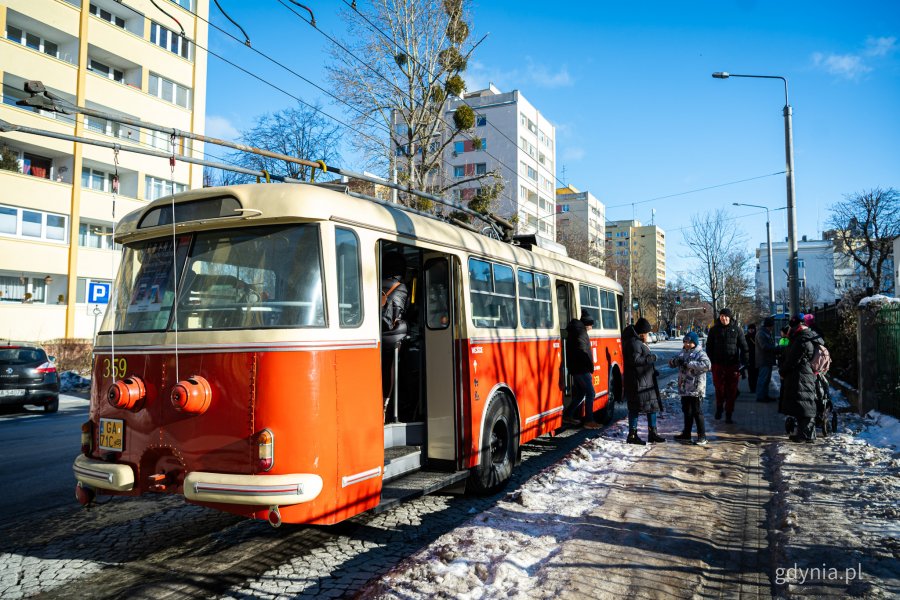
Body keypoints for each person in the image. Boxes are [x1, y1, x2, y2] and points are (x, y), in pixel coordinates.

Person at [622, 317, 665, 444]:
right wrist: (651, 358)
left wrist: (652, 370)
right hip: (638, 383)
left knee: (651, 407)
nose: (647, 335)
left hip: (644, 380)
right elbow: (635, 361)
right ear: (641, 333)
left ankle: (652, 433)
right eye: (646, 333)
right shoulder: (634, 343)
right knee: (635, 408)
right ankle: (633, 435)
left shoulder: (636, 342)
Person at [780, 314, 822, 442]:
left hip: (801, 375)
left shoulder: (802, 339)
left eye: (794, 326)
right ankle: (807, 434)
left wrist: (783, 371)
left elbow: (792, 359)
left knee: (803, 404)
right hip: (805, 373)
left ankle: (804, 435)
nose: (791, 329)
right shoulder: (809, 336)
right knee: (804, 402)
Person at [705, 307, 748, 424]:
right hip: (718, 365)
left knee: (732, 391)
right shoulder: (714, 330)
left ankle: (729, 414)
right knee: (719, 388)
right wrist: (712, 361)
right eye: (722, 316)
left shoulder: (737, 330)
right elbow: (709, 347)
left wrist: (744, 363)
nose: (723, 318)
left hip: (733, 365)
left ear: (730, 317)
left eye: (726, 316)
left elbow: (744, 348)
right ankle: (719, 407)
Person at [670, 332, 712, 445]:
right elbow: (673, 362)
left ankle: (702, 436)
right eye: (685, 342)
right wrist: (675, 362)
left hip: (696, 388)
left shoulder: (700, 353)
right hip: (684, 387)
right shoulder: (683, 352)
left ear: (694, 342)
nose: (687, 344)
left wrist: (689, 364)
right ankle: (686, 434)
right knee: (687, 411)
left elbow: (707, 365)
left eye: (689, 342)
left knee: (697, 412)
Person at [381, 252, 408, 414]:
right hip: (392, 339)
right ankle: (390, 405)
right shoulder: (402, 288)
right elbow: (405, 312)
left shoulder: (376, 284)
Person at [563, 310, 601, 429]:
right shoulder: (581, 333)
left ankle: (568, 415)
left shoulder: (577, 331)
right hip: (581, 369)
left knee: (581, 393)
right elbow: (584, 352)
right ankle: (589, 420)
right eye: (591, 325)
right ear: (587, 324)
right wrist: (589, 366)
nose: (591, 327)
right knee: (591, 393)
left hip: (577, 368)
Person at [755, 317, 778, 402]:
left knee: (766, 379)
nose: (773, 327)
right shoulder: (762, 333)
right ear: (769, 325)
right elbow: (764, 346)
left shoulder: (765, 332)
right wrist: (775, 348)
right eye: (772, 325)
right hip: (763, 360)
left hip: (766, 360)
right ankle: (761, 397)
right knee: (763, 379)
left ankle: (765, 395)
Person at [745, 324, 759, 394]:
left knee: (756, 374)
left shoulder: (757, 336)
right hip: (749, 358)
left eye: (752, 329)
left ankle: (755, 387)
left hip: (756, 358)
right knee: (750, 374)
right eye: (750, 329)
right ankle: (752, 388)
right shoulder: (746, 337)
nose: (751, 330)